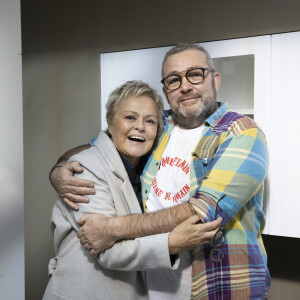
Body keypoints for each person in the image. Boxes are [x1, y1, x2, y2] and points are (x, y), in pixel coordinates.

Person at [50, 44, 270, 299]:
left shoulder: (242, 132)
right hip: (149, 286)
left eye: (195, 74)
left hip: (215, 287)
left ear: (215, 80)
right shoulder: (159, 125)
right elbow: (103, 146)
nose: (185, 86)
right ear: (166, 90)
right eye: (174, 80)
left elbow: (202, 212)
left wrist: (112, 228)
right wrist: (58, 169)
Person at [44, 80, 222, 300]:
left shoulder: (148, 168)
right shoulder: (85, 168)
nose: (140, 126)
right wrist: (173, 242)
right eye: (130, 117)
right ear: (110, 123)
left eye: (150, 121)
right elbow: (107, 252)